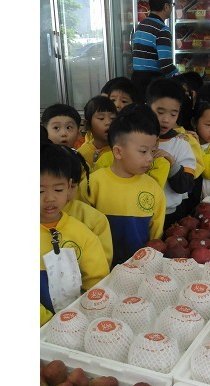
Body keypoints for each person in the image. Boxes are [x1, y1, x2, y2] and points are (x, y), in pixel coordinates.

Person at [78, 104, 166, 267]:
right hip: (100, 269)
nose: (150, 158)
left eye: (153, 151)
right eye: (143, 151)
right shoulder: (93, 184)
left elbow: (155, 237)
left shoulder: (153, 188)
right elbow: (81, 230)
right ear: (118, 152)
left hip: (140, 269)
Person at [40, 143, 110, 314]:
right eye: (39, 191)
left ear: (69, 186)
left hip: (73, 321)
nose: (50, 198)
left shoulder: (83, 234)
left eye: (58, 189)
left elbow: (97, 281)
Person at [146, 78, 197, 229]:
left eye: (173, 114)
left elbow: (185, 185)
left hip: (170, 214)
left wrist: (172, 163)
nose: (166, 120)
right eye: (160, 112)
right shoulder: (135, 140)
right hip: (139, 213)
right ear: (147, 107)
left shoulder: (181, 144)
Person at [58, 145, 114, 267]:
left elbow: (101, 264)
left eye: (72, 186)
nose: (66, 193)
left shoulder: (95, 220)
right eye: (58, 189)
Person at [131, 0, 178, 93]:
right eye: (172, 5)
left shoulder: (141, 25)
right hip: (152, 82)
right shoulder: (162, 29)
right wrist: (181, 79)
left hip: (136, 79)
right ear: (166, 6)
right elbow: (166, 65)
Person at [77, 96, 118, 171]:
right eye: (101, 118)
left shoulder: (119, 151)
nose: (108, 122)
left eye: (112, 118)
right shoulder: (81, 154)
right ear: (87, 124)